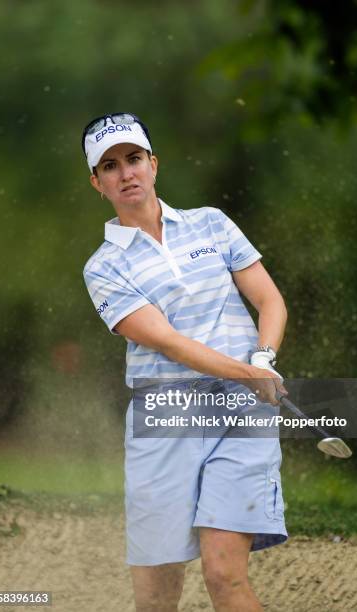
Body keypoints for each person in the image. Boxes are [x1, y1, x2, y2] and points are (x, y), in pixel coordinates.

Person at [82, 112, 288, 612]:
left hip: (241, 414)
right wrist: (249, 372)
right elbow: (169, 342)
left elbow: (270, 302)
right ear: (97, 183)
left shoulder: (212, 224)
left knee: (224, 573)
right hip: (165, 421)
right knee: (156, 594)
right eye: (110, 166)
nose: (125, 173)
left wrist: (263, 357)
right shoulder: (103, 267)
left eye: (133, 159)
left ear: (154, 164)